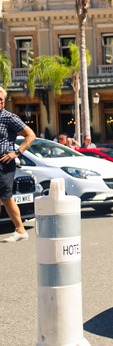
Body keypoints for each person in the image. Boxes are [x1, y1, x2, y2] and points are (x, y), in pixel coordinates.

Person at [0, 86, 36, 242]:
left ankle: (21, 230)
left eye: (1, 99)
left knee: (6, 198)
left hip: (4, 162)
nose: (0, 102)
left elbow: (31, 135)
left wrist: (17, 152)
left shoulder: (9, 117)